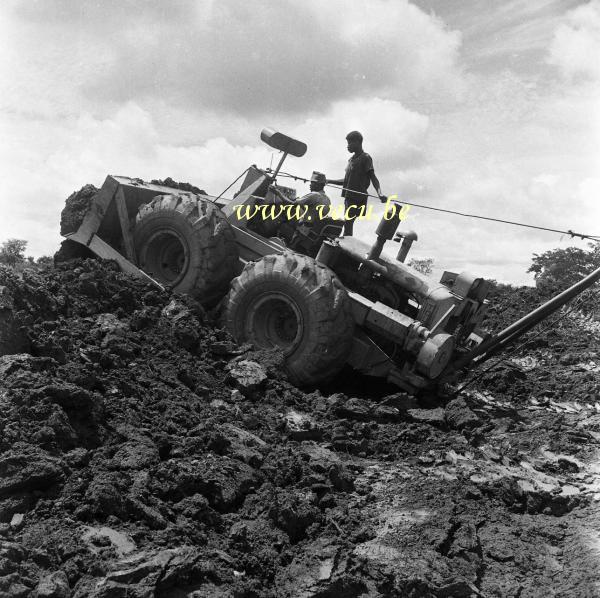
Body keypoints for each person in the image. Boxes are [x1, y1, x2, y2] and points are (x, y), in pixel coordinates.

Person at [327, 131, 386, 236]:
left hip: (357, 197)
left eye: (350, 143)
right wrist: (329, 181)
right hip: (348, 197)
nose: (347, 146)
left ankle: (345, 245)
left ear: (358, 142)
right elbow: (345, 181)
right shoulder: (350, 160)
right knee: (347, 223)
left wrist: (380, 194)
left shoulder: (365, 158)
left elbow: (373, 178)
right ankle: (346, 241)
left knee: (348, 222)